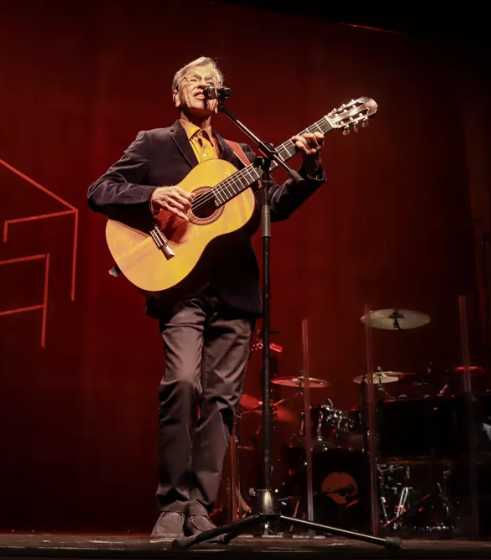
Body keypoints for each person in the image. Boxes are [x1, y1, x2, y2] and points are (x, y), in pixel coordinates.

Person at [86, 57, 326, 542]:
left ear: (222, 97)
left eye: (212, 83)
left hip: (236, 291)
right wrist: (154, 196)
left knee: (222, 403)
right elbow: (100, 191)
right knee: (181, 385)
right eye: (194, 81)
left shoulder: (239, 153)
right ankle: (171, 504)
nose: (204, 86)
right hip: (181, 288)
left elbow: (272, 209)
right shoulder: (154, 142)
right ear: (177, 96)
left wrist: (310, 164)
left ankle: (200, 507)